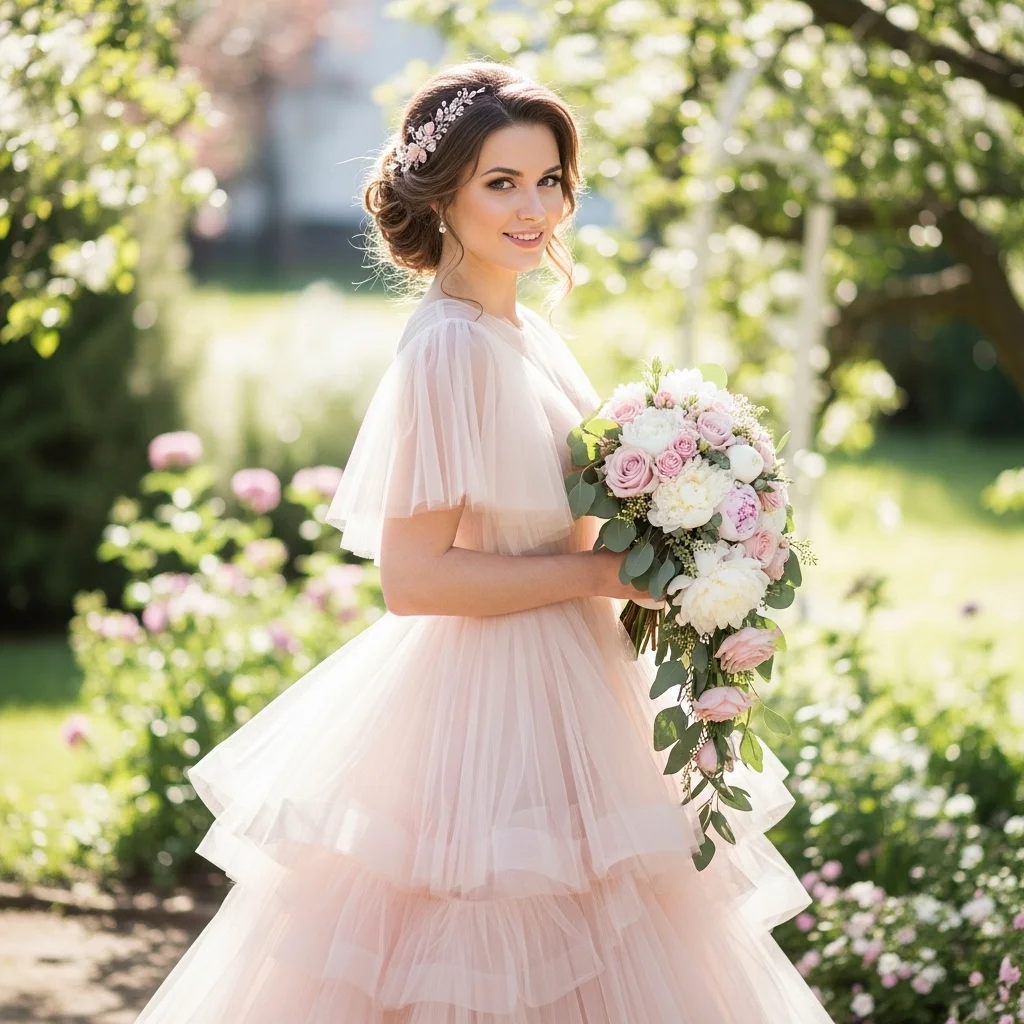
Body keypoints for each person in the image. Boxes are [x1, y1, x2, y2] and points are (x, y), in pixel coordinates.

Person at [135, 59, 836, 1023]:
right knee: (480, 950)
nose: (533, 208)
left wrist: (692, 516)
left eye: (548, 181)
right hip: (485, 706)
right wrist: (602, 572)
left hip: (580, 680)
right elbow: (414, 577)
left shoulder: (529, 334)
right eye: (500, 183)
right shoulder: (450, 349)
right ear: (442, 196)